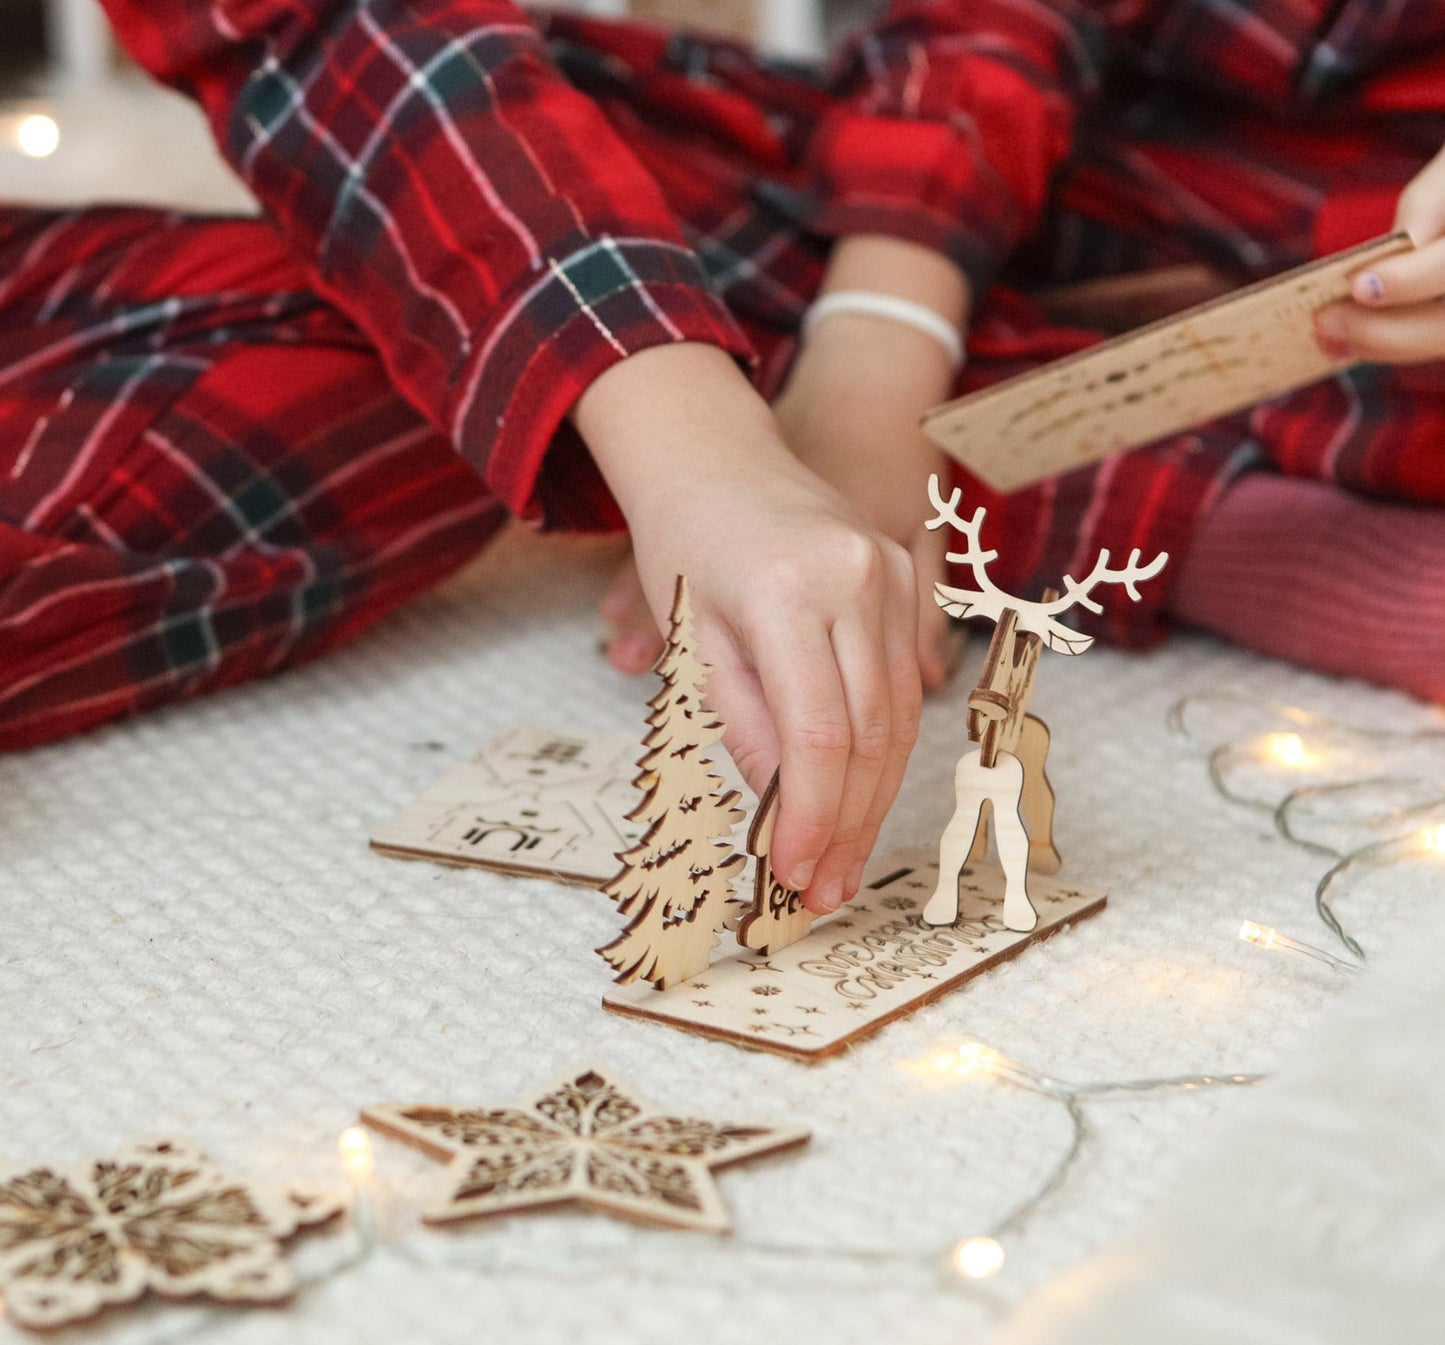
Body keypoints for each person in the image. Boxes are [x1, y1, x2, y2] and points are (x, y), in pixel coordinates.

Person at [2, 0, 1443, 920]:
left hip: (1320, 357)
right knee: (457, 307)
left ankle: (1136, 498)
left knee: (446, 352)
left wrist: (722, 434)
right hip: (951, 192)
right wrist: (836, 368)